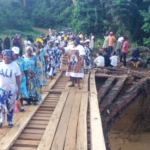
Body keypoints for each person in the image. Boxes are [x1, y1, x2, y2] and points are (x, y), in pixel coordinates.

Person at [0, 50, 21, 127]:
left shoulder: (15, 66)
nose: (6, 57)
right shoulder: (0, 65)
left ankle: (10, 120)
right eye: (5, 55)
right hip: (1, 90)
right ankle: (1, 120)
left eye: (8, 55)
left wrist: (18, 89)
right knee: (0, 106)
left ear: (11, 56)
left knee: (10, 107)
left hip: (11, 90)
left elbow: (18, 78)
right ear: (2, 56)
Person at [12, 47, 28, 112]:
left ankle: (21, 105)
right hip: (12, 78)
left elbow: (26, 70)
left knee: (21, 91)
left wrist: (27, 80)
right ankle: (14, 106)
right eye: (14, 54)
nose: (16, 55)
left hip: (22, 78)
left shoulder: (22, 60)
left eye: (17, 54)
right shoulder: (10, 61)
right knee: (13, 92)